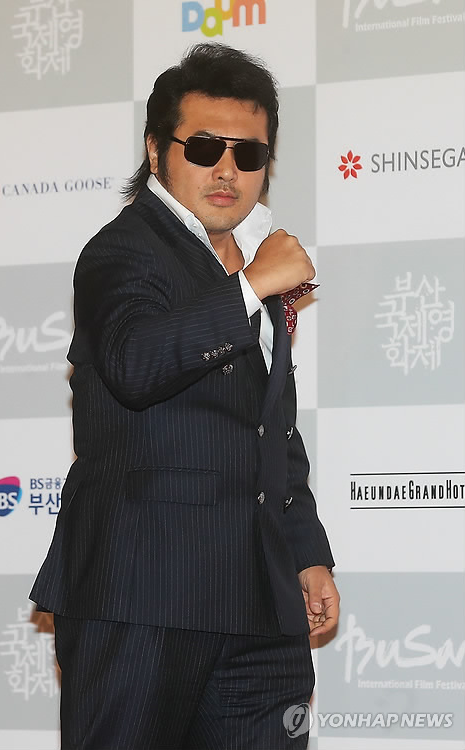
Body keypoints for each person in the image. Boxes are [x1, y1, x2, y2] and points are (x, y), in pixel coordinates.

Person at [29, 42, 339, 750]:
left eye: (248, 153)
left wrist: (305, 551)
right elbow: (135, 365)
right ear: (155, 149)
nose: (227, 169)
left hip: (259, 604)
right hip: (144, 597)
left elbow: (269, 429)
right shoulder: (122, 251)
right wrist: (251, 287)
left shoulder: (253, 253)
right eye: (203, 147)